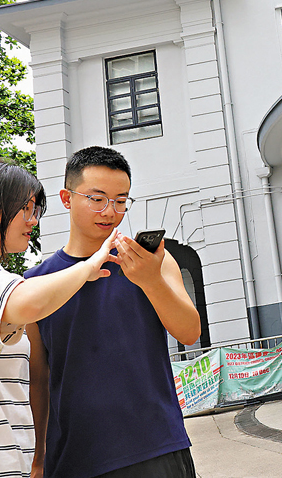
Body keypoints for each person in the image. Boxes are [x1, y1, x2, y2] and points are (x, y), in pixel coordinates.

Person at [26, 147, 201, 477]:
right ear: (66, 198)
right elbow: (39, 378)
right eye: (97, 198)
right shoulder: (35, 282)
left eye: (121, 200)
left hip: (156, 445)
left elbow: (190, 332)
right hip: (73, 457)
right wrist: (38, 457)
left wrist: (150, 281)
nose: (110, 211)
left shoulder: (151, 262)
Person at [0, 158, 117, 476]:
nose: (32, 220)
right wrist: (87, 267)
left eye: (35, 210)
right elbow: (27, 303)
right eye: (24, 208)